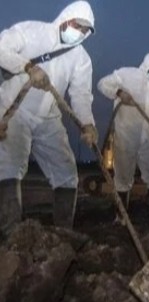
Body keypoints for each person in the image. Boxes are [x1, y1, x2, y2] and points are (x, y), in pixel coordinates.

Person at [0, 1, 97, 237]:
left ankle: (63, 236)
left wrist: (88, 123)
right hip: (15, 111)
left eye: (86, 30)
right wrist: (27, 67)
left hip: (48, 117)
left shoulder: (81, 59)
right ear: (66, 19)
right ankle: (12, 238)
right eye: (79, 26)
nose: (81, 33)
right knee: (9, 168)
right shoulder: (32, 31)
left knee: (67, 173)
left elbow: (81, 95)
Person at [97, 49, 149, 229]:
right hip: (126, 136)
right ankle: (120, 218)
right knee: (122, 178)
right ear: (148, 64)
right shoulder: (126, 75)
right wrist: (119, 92)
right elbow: (102, 84)